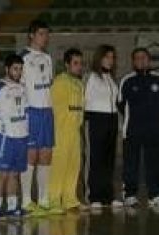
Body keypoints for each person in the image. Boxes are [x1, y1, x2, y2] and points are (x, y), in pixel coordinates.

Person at [18, 20, 62, 216]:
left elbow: (48, 84)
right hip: (31, 111)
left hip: (46, 112)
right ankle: (27, 201)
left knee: (46, 155)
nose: (45, 37)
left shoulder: (47, 58)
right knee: (31, 156)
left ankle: (44, 201)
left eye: (47, 34)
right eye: (42, 33)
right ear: (31, 35)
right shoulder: (23, 58)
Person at [0, 54, 28, 219]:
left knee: (14, 173)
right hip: (4, 137)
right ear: (7, 69)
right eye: (15, 69)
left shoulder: (22, 88)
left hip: (20, 136)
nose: (18, 72)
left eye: (20, 69)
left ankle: (12, 207)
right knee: (2, 173)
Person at [118, 48, 159, 208]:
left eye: (144, 58)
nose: (141, 60)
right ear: (133, 62)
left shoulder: (157, 78)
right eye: (137, 58)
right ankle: (129, 195)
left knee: (154, 163)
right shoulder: (127, 81)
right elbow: (120, 103)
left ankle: (154, 195)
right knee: (130, 164)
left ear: (149, 60)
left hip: (154, 131)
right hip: (132, 130)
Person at [48, 48, 87, 212]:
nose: (79, 67)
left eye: (81, 63)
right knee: (58, 166)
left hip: (75, 132)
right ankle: (54, 200)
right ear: (67, 64)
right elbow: (53, 108)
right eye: (75, 63)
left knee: (74, 166)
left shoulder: (79, 83)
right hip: (60, 132)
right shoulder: (59, 82)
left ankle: (70, 198)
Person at [84, 44, 123, 209]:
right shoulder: (91, 77)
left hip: (112, 120)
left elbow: (118, 102)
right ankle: (94, 197)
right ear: (99, 58)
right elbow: (83, 100)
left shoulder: (112, 79)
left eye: (112, 57)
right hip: (96, 119)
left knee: (109, 160)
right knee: (96, 159)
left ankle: (108, 196)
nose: (110, 60)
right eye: (107, 57)